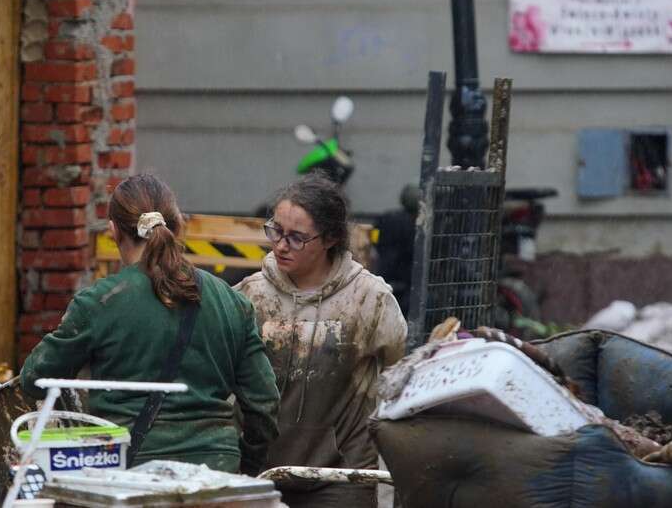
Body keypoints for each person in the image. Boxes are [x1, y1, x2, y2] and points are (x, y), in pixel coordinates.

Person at [20, 174, 280, 473]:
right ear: (177, 225)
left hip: (128, 473)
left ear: (113, 231)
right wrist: (245, 466)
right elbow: (264, 405)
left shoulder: (99, 303)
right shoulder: (231, 302)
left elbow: (35, 379)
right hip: (215, 471)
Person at [235, 174, 407, 508]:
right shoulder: (249, 296)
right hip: (261, 473)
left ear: (329, 238)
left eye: (297, 238)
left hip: (341, 476)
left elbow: (397, 379)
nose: (282, 245)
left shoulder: (368, 299)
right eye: (276, 231)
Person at [372, 184, 419, 316]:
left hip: (384, 275)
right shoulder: (417, 224)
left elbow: (374, 237)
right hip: (406, 280)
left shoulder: (385, 218)